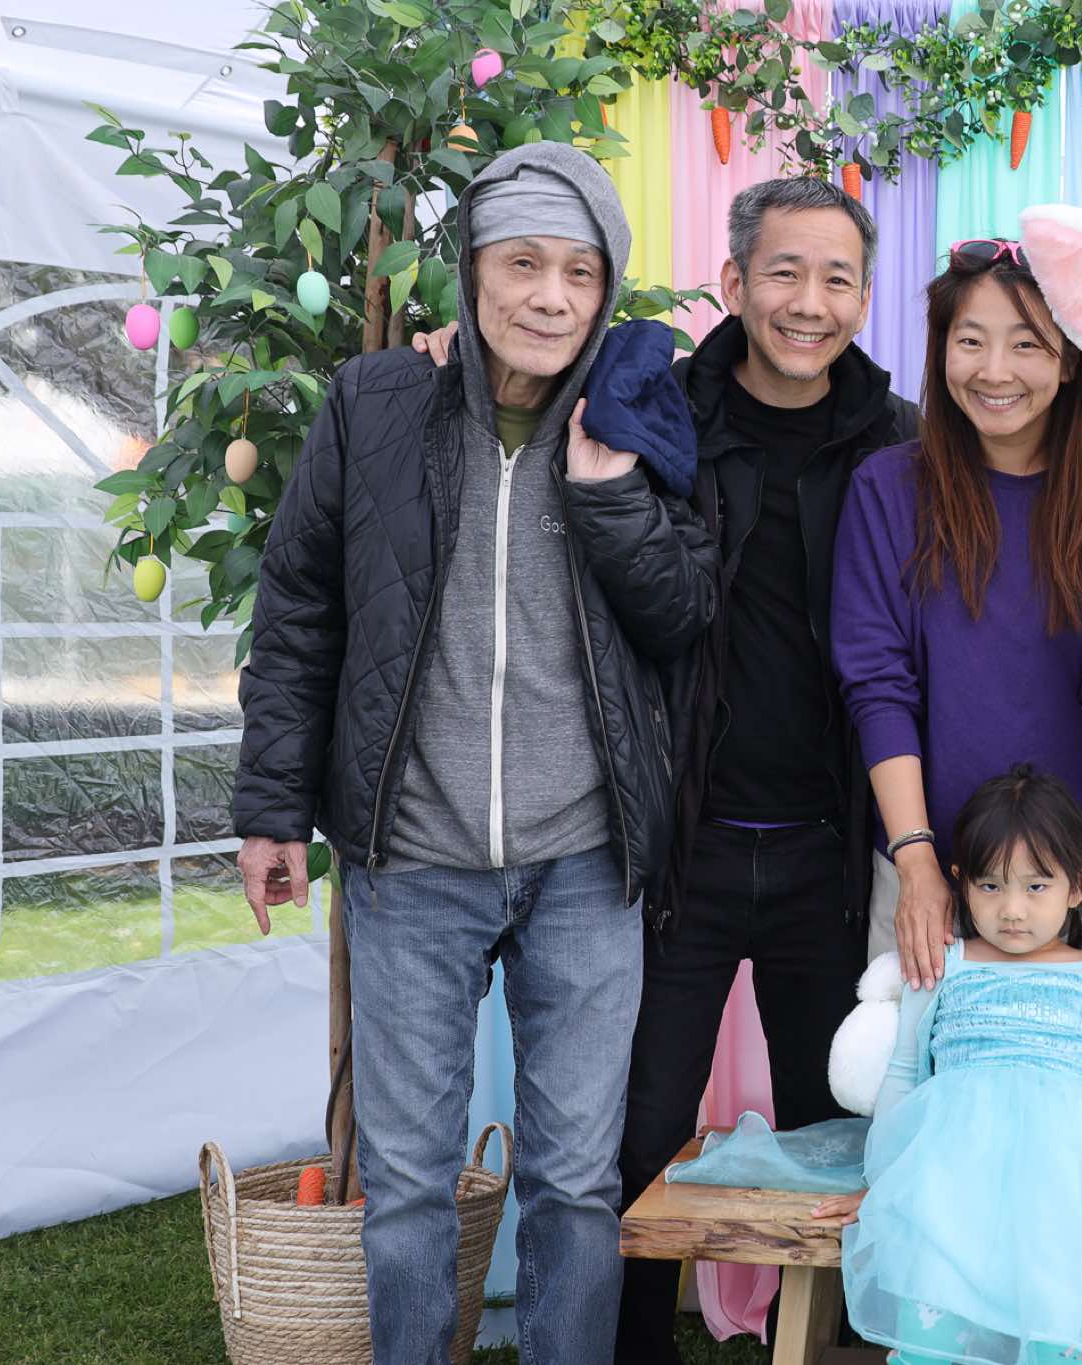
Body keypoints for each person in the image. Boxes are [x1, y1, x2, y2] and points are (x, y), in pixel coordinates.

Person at [234, 141, 718, 1363]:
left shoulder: (638, 413)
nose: (549, 298)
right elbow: (300, 610)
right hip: (412, 859)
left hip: (585, 862)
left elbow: (682, 616)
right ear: (471, 270)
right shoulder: (375, 404)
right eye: (521, 265)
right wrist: (273, 808)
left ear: (606, 289)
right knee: (406, 1184)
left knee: (575, 1181)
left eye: (578, 273)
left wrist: (609, 495)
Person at [426, 175, 919, 1361]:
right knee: (632, 1134)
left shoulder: (900, 443)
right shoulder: (659, 408)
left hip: (828, 856)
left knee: (839, 1130)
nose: (809, 302)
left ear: (864, 297)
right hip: (671, 850)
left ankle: (834, 1345)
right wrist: (445, 353)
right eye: (783, 273)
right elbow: (529, 388)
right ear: (736, 282)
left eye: (837, 278)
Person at [830, 238, 1082, 1004]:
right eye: (971, 341)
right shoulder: (887, 491)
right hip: (929, 875)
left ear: (1071, 359)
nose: (993, 370)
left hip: (1080, 883)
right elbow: (879, 685)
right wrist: (917, 861)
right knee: (916, 1073)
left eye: (1026, 344)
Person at [807, 766, 1082, 1364]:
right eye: (991, 886)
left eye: (1036, 886)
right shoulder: (943, 964)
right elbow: (906, 1073)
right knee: (938, 1333)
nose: (1012, 909)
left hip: (1068, 1195)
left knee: (1058, 1332)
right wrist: (884, 1179)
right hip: (949, 1188)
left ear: (1079, 885)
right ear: (960, 882)